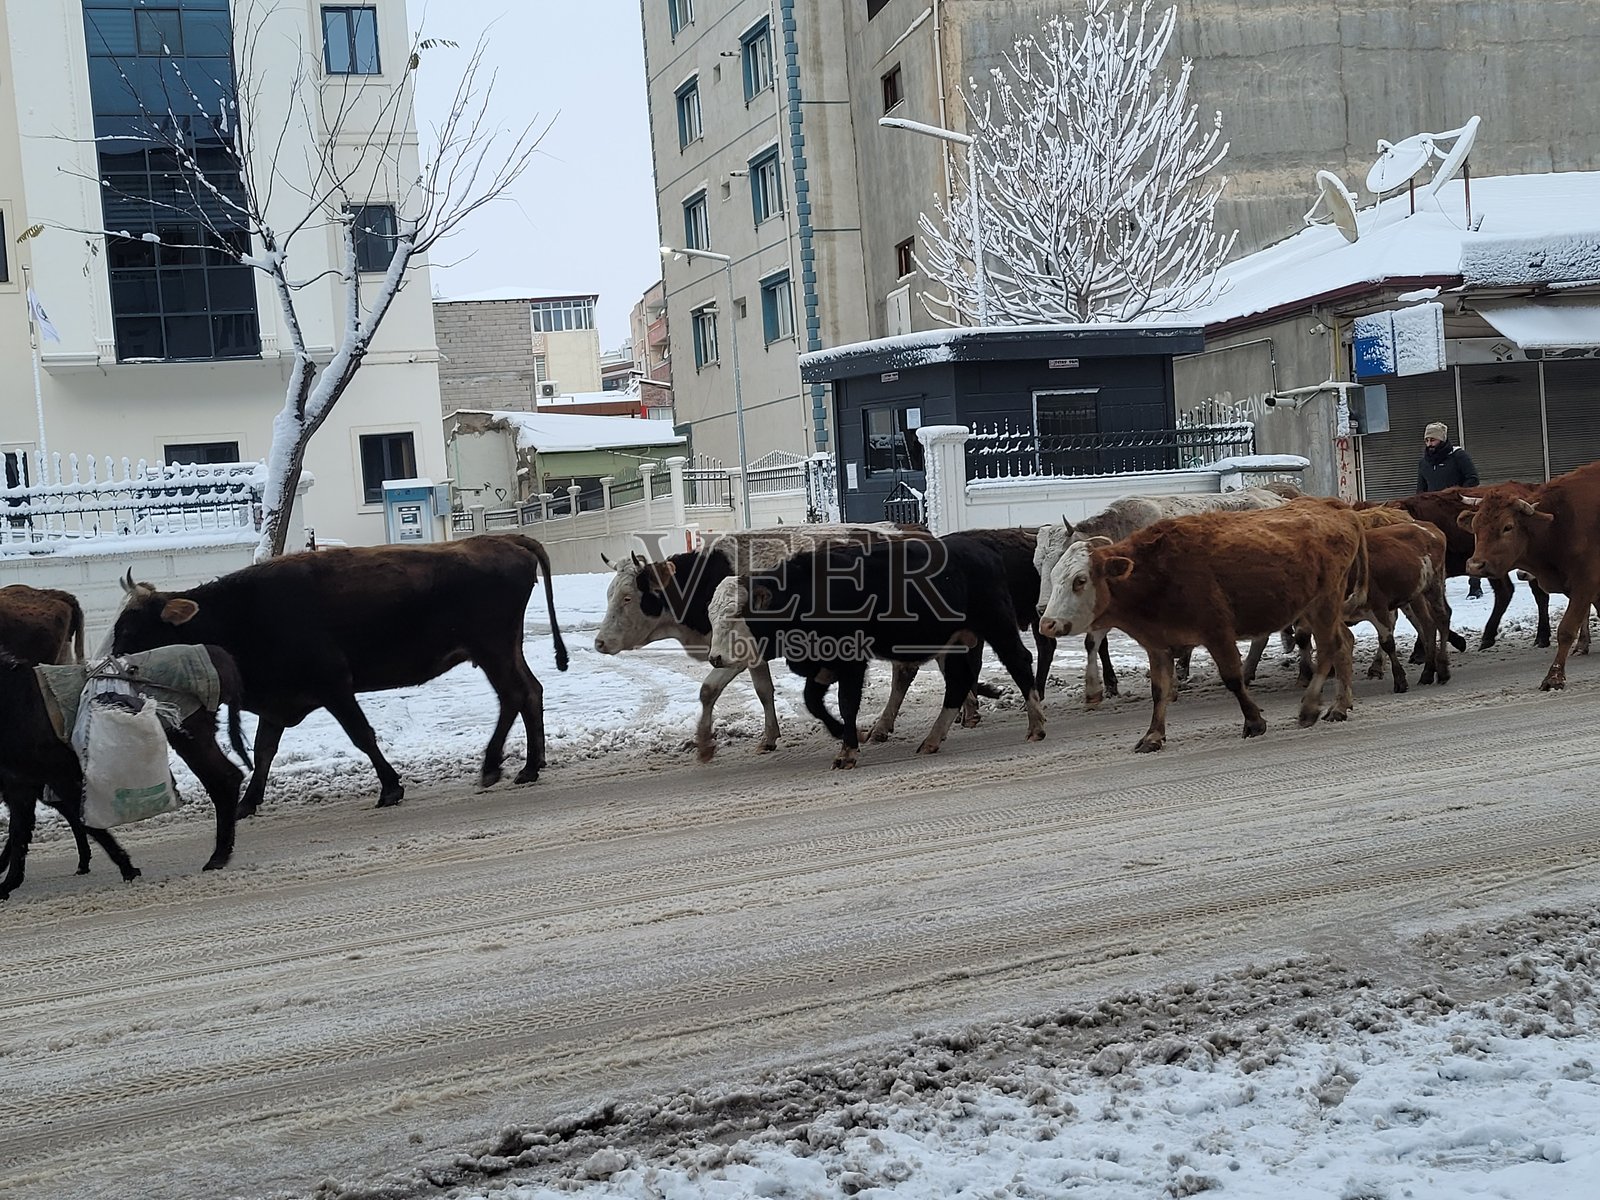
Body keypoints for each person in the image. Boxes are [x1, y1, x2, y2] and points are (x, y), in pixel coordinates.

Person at [1418, 420, 1484, 597]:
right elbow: (1421, 490)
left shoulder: (1458, 456)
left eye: (1433, 440)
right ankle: (1438, 585)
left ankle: (1475, 584)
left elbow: (1473, 479)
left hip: (1457, 510)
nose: (1429, 444)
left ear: (1442, 440)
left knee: (1468, 545)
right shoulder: (1424, 463)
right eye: (1427, 440)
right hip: (1434, 514)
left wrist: (1457, 496)